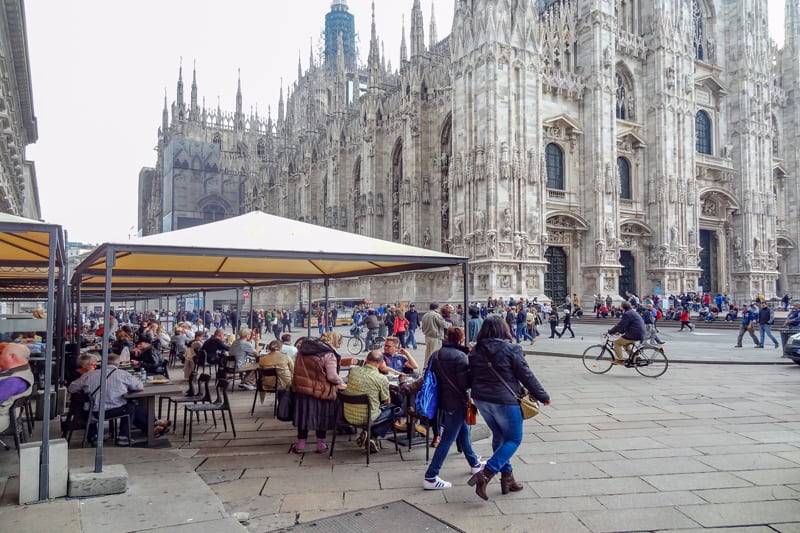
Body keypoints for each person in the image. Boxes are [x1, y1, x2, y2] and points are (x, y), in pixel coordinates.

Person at [467, 316, 550, 500]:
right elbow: (526, 375)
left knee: (500, 436)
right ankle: (486, 474)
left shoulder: (475, 351)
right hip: (505, 400)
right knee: (514, 439)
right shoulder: (511, 349)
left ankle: (508, 478)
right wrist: (542, 395)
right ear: (503, 329)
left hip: (482, 400)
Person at [423, 327, 483, 490]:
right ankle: (431, 476)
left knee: (463, 431)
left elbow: (429, 376)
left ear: (447, 337)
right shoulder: (460, 356)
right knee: (448, 439)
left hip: (442, 401)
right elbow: (465, 383)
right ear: (461, 339)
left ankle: (475, 463)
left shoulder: (436, 354)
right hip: (457, 402)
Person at [67, 353, 147, 446]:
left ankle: (94, 437)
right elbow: (140, 387)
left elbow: (71, 389)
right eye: (94, 364)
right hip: (114, 410)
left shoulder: (88, 375)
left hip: (93, 413)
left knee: (89, 406)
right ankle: (123, 436)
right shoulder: (123, 374)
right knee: (131, 405)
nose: (95, 366)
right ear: (118, 364)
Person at [291, 332, 345, 453]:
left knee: (303, 417)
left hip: (303, 389)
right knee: (322, 418)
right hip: (321, 391)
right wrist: (341, 382)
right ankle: (320, 445)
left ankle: (300, 445)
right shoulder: (328, 354)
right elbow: (332, 376)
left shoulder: (303, 351)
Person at [343, 349, 398, 453]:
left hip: (348, 415)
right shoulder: (381, 378)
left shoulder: (353, 371)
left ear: (366, 359)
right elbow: (386, 400)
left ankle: (369, 435)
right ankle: (373, 435)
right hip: (368, 417)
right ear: (382, 363)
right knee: (396, 410)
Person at [0, 343, 34, 435]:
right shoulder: (21, 373)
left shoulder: (14, 380)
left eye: (2, 354)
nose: (0, 357)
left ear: (12, 357)